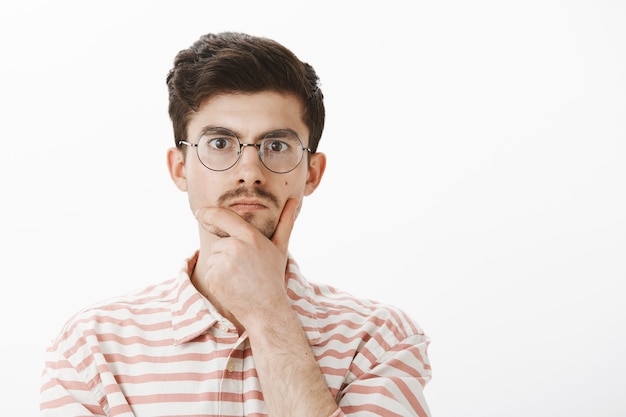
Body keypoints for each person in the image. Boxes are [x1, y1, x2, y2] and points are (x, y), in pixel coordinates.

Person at [40, 31, 432, 417]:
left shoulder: (381, 340)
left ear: (311, 173)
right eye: (220, 143)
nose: (249, 172)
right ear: (180, 169)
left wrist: (268, 313)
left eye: (276, 146)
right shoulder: (91, 347)